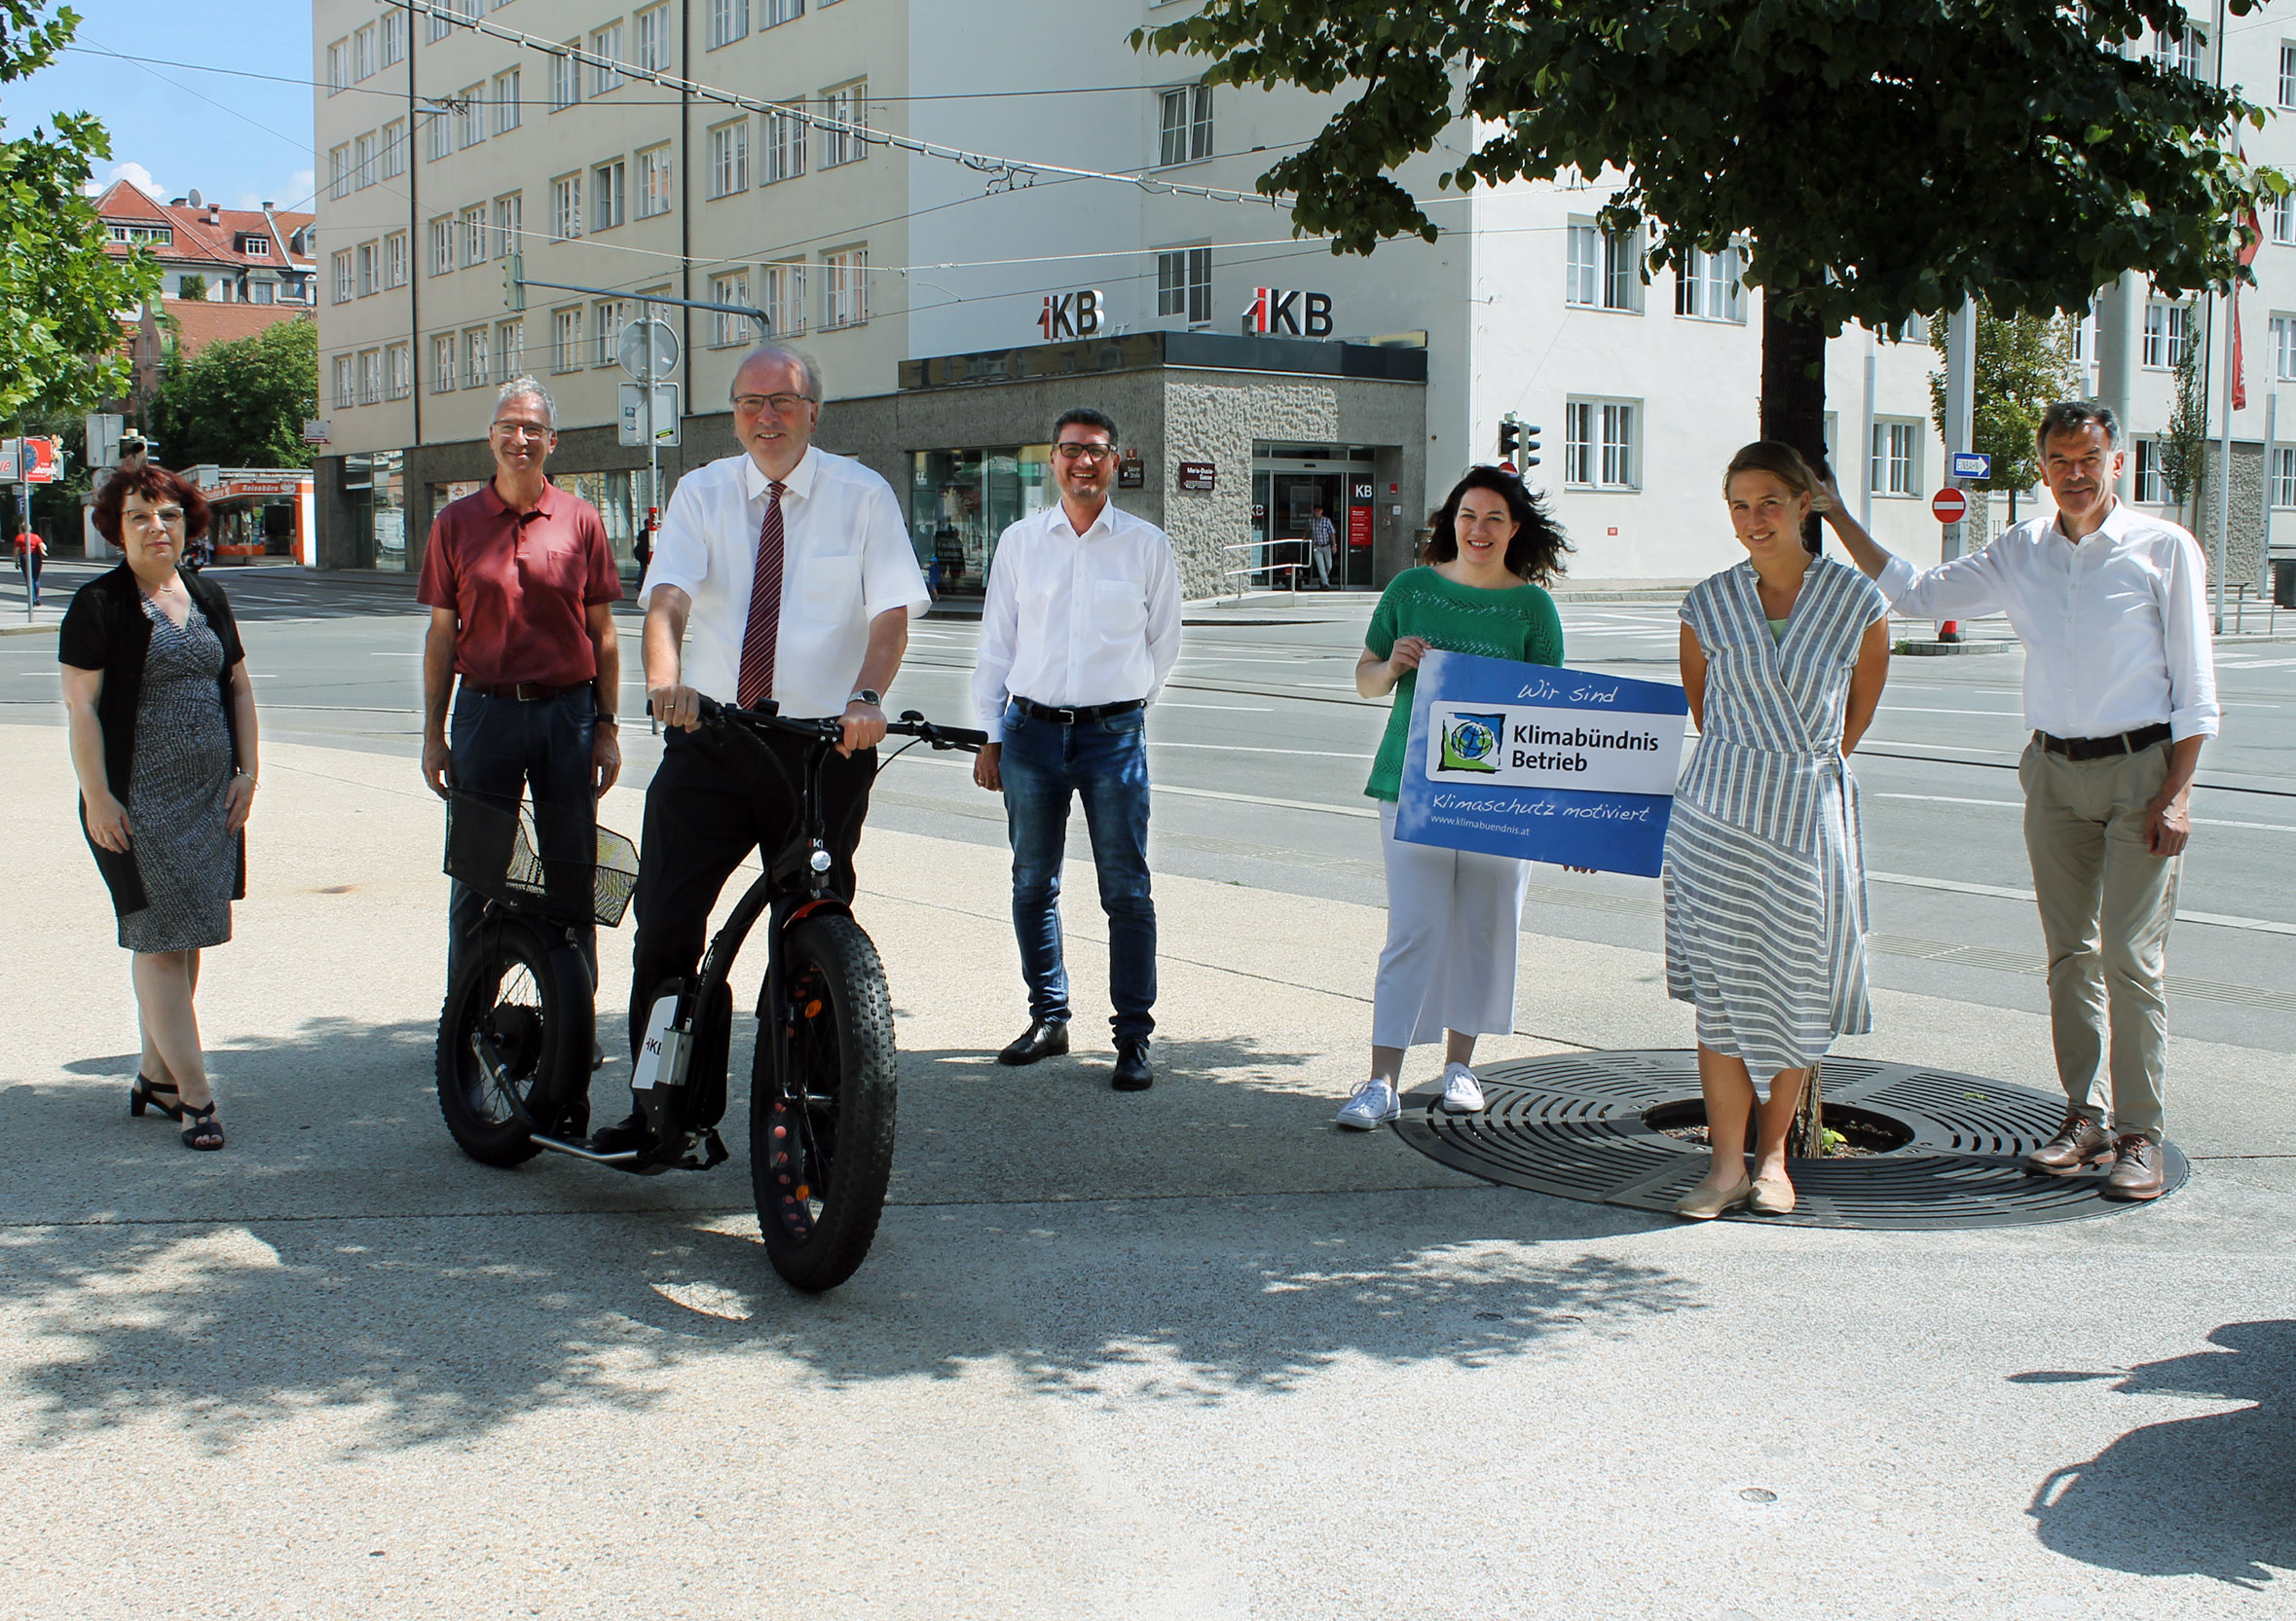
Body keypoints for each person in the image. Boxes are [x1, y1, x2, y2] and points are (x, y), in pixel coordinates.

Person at [1831, 401, 2216, 1202]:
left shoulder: (2163, 548)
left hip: (2141, 770)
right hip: (2053, 772)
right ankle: (2086, 1115)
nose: (2075, 474)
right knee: (2069, 952)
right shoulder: (2023, 550)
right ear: (2041, 469)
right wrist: (1836, 513)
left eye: (2089, 459)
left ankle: (2141, 1132)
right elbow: (1917, 592)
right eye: (2060, 461)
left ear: (2117, 461)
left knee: (2129, 957)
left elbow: (2196, 688)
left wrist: (2178, 794)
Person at [594, 343, 928, 1153]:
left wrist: (867, 696)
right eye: (750, 403)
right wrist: (665, 680)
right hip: (713, 737)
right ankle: (661, 1109)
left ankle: (811, 1117)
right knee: (667, 928)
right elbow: (668, 600)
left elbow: (889, 616)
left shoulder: (862, 495)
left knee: (813, 931)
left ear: (814, 411)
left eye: (781, 401)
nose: (766, 417)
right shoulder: (702, 492)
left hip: (822, 749)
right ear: (735, 415)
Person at [1663, 443, 1891, 1219]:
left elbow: (1856, 714)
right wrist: (1756, 767)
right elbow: (1705, 711)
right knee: (1722, 996)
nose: (1754, 518)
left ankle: (1773, 1159)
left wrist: (1799, 768)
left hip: (1806, 811)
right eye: (1739, 504)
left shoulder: (1857, 602)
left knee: (1796, 989)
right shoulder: (1707, 603)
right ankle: (1725, 1165)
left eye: (1768, 501)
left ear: (1802, 503)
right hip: (1717, 817)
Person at [1335, 466, 1571, 1129]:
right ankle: (1381, 1079)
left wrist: (1565, 817)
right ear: (1451, 520)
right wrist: (1391, 665)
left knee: (1485, 925)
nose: (1479, 529)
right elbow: (1365, 679)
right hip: (1411, 787)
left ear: (1515, 528)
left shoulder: (1533, 610)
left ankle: (1460, 1067)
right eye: (1469, 515)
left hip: (1501, 799)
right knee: (1414, 928)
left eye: (1494, 518)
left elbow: (1554, 715)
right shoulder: (1410, 590)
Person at [971, 407, 1182, 1091]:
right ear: (1053, 459)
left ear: (1115, 460)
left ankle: (1133, 1037)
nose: (1082, 462)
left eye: (1095, 451)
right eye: (1070, 450)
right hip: (1029, 736)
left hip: (1112, 739)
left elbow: (1164, 644)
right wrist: (991, 734)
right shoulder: (1021, 542)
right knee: (1033, 883)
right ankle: (1049, 1017)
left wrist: (1122, 709)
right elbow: (996, 643)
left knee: (1126, 890)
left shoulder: (1146, 546)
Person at [58, 465, 260, 1152]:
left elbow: (238, 687)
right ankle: (196, 1097)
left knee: (188, 934)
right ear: (117, 529)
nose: (156, 527)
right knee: (157, 939)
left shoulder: (206, 594)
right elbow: (82, 708)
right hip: (135, 804)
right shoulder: (98, 604)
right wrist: (97, 795)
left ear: (187, 524)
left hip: (209, 800)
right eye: (140, 516)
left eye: (168, 514)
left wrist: (248, 774)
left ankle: (155, 1074)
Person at [418, 377, 623, 1006]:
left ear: (552, 441)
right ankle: (466, 1019)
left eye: (533, 428)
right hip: (485, 714)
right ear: (491, 438)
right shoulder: (454, 523)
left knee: (571, 874)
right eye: (509, 426)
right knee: (477, 874)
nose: (520, 438)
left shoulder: (581, 520)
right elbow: (442, 636)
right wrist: (434, 734)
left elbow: (604, 634)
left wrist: (608, 728)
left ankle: (573, 1021)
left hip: (568, 717)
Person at [1306, 503, 1338, 589]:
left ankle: (1323, 579)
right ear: (1314, 511)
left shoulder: (1327, 521)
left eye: (1319, 510)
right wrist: (1304, 538)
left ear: (1322, 511)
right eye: (1316, 511)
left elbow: (1332, 533)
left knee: (1329, 566)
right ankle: (1325, 584)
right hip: (1317, 547)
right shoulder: (1311, 521)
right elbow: (1307, 529)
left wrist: (1334, 545)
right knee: (1321, 567)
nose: (1317, 512)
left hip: (1326, 546)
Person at [13, 523, 43, 606]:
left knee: (29, 579)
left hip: (25, 557)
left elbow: (16, 551)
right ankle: (37, 598)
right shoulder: (36, 536)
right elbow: (42, 546)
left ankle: (32, 599)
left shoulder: (19, 537)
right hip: (36, 557)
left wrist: (16, 562)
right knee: (36, 578)